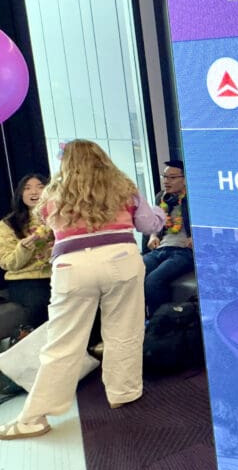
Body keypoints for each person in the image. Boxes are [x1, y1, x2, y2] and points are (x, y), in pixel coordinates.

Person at [0, 140, 165, 439]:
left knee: (61, 343)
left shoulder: (52, 195)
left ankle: (35, 418)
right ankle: (123, 391)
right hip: (121, 260)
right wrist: (159, 214)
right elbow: (147, 224)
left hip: (72, 267)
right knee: (124, 332)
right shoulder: (124, 188)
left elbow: (47, 225)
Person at [0, 173, 53, 328]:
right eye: (27, 188)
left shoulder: (59, 218)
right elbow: (8, 263)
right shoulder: (8, 224)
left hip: (57, 274)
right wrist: (23, 249)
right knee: (43, 301)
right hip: (24, 280)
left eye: (40, 187)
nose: (34, 192)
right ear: (20, 194)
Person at [143, 159, 193, 313]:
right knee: (133, 273)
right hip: (160, 249)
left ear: (184, 179)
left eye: (172, 177)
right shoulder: (161, 197)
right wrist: (153, 236)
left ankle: (159, 323)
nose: (166, 181)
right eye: (164, 177)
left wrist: (197, 237)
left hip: (183, 251)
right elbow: (155, 223)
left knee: (153, 280)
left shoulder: (193, 198)